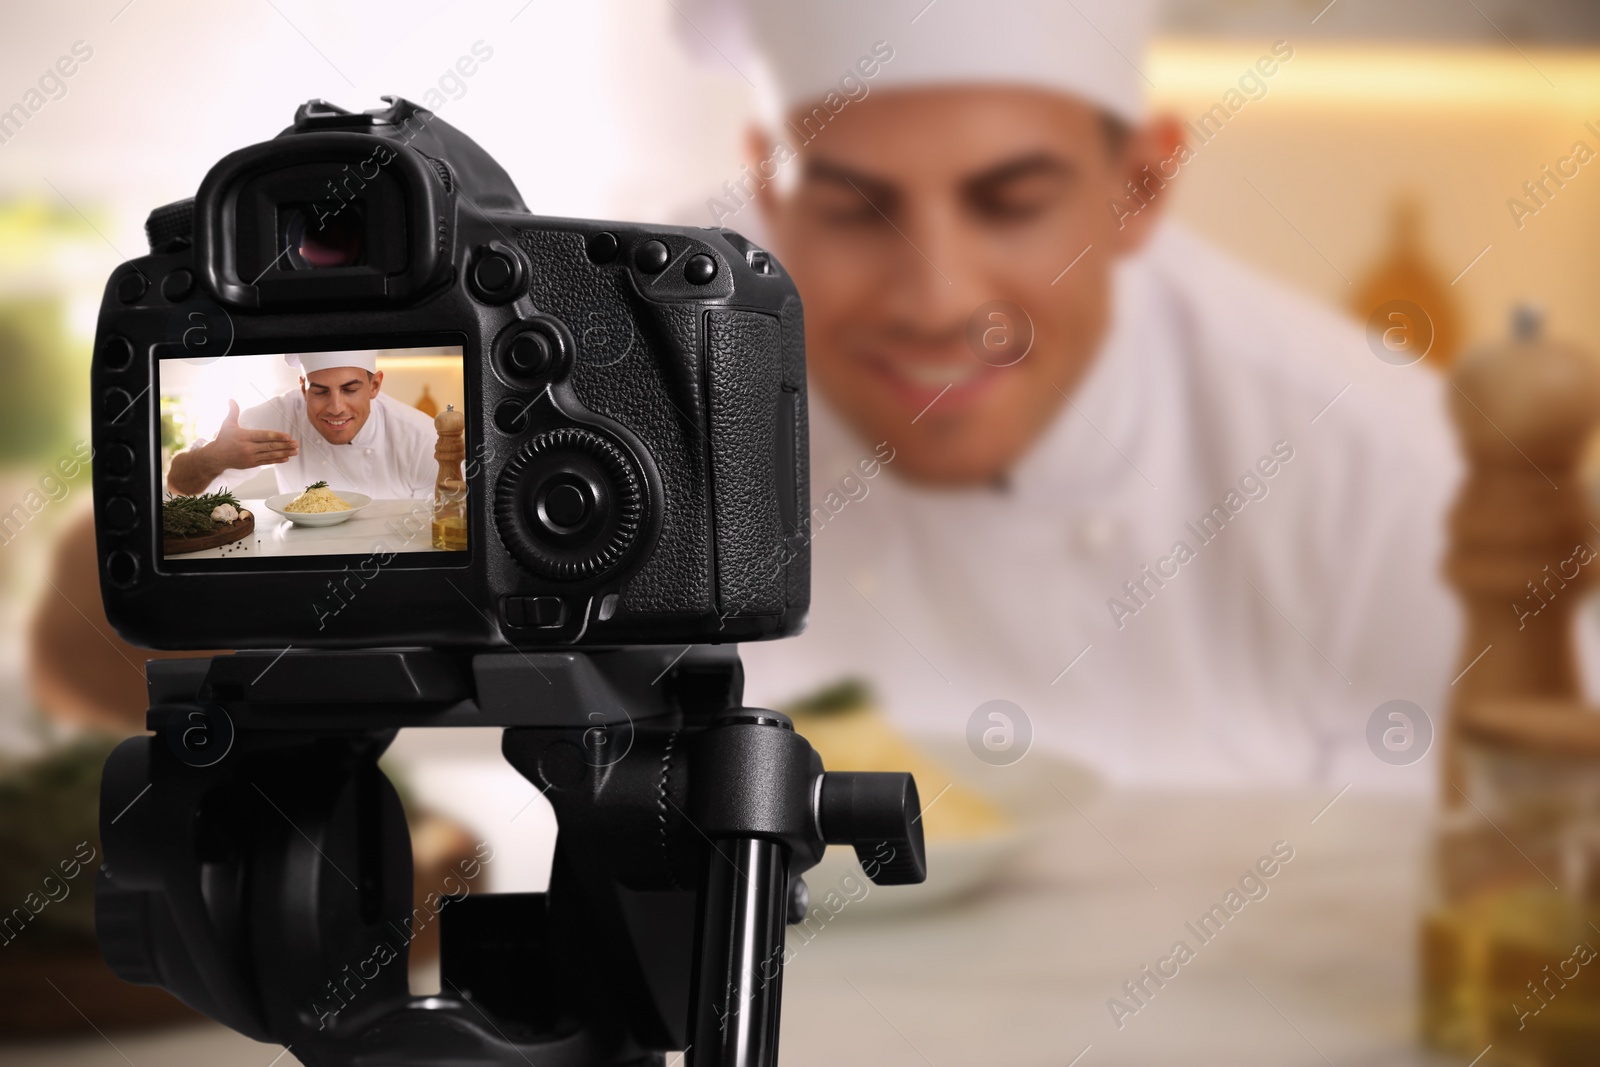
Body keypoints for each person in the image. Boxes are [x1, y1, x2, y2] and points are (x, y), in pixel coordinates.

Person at [691, 0, 1464, 786]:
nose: (936, 301)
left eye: (1012, 204)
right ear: (769, 191)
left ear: (1140, 186)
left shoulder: (1388, 480)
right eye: (854, 210)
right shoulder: (658, 381)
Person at [166, 351, 439, 500]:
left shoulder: (422, 440)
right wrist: (211, 459)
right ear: (303, 389)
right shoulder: (276, 417)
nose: (335, 407)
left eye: (349, 390)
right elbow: (178, 486)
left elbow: (442, 528)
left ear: (374, 385)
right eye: (320, 391)